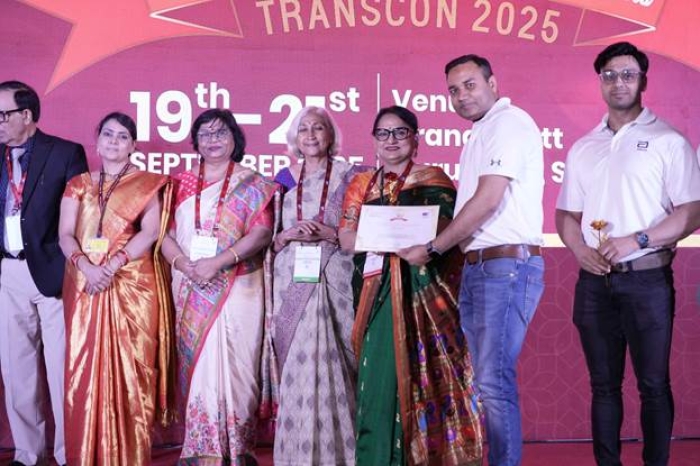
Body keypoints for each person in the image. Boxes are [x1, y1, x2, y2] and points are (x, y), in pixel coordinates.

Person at [555, 42, 700, 466]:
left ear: (643, 81)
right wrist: (579, 249)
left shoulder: (668, 141)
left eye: (627, 74)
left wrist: (637, 240)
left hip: (647, 280)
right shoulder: (585, 146)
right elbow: (566, 213)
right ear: (600, 82)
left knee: (653, 385)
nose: (618, 82)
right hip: (594, 282)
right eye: (610, 75)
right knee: (603, 386)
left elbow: (692, 212)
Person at [400, 55, 545, 466]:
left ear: (492, 84)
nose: (462, 96)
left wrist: (433, 247)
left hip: (505, 267)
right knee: (484, 382)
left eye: (470, 85)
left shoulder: (508, 123)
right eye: (453, 90)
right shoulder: (482, 131)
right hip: (481, 267)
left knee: (494, 381)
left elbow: (487, 200)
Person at [339, 106, 483, 466]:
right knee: (376, 377)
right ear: (373, 140)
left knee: (424, 377)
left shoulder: (435, 180)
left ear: (415, 139)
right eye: (383, 133)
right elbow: (346, 238)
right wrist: (390, 240)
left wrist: (406, 242)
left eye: (400, 132)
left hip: (424, 294)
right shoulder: (361, 184)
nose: (391, 140)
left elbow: (447, 235)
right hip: (374, 291)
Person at [161, 108, 277, 465]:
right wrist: (185, 264)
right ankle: (201, 448)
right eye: (205, 134)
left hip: (239, 286)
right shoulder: (178, 184)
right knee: (199, 364)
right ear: (195, 141)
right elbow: (163, 234)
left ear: (235, 139)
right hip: (190, 282)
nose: (213, 140)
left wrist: (219, 261)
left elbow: (262, 233)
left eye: (220, 132)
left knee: (239, 365)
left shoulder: (254, 183)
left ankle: (238, 448)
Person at [58, 112, 174, 465]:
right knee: (83, 369)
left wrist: (111, 266)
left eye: (123, 136)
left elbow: (150, 231)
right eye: (108, 134)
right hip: (86, 284)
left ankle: (130, 455)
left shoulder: (147, 183)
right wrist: (87, 268)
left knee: (133, 370)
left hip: (130, 282)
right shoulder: (78, 184)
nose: (114, 141)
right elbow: (65, 234)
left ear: (133, 145)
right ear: (97, 141)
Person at [0, 80, 88, 466]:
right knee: (16, 369)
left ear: (26, 115)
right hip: (8, 271)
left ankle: (69, 454)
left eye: (3, 115)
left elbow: (83, 216)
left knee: (61, 369)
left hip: (54, 273)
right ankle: (27, 454)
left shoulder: (65, 152)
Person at [271, 106, 359, 465]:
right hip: (292, 281)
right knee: (297, 362)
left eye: (318, 128)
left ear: (330, 135)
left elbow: (362, 230)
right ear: (294, 138)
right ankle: (296, 453)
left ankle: (342, 453)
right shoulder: (283, 179)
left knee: (339, 359)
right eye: (303, 129)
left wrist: (331, 233)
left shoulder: (351, 177)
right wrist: (289, 233)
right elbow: (272, 240)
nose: (310, 135)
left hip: (336, 276)